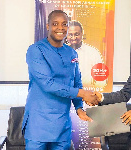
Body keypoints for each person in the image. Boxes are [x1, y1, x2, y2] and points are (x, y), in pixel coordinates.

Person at [22, 10, 98, 150]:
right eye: (55, 24)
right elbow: (47, 84)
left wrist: (79, 108)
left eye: (64, 24)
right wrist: (82, 93)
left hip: (62, 125)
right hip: (38, 123)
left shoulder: (71, 52)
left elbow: (76, 82)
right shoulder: (36, 50)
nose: (60, 28)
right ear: (48, 26)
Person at [66, 21, 107, 92]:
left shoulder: (93, 52)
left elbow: (102, 79)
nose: (73, 38)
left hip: (86, 96)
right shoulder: (61, 52)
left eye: (77, 34)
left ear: (82, 34)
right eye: (70, 34)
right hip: (67, 96)